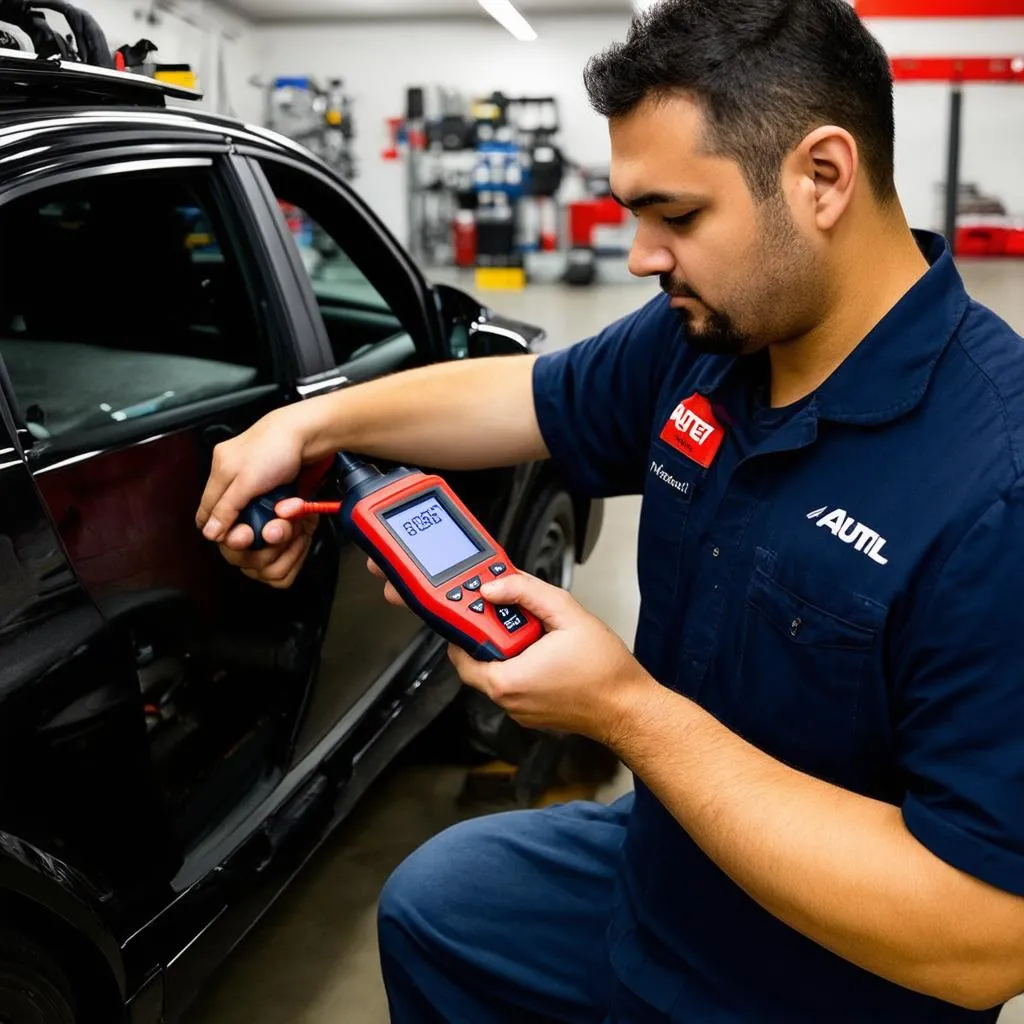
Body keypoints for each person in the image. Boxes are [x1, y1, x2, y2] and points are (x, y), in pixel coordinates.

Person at [196, 1, 1024, 1020]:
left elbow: (984, 935)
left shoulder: (997, 486)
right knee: (438, 904)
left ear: (821, 176)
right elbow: (525, 395)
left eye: (675, 216)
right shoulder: (712, 336)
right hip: (673, 863)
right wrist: (307, 425)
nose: (639, 256)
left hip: (826, 975)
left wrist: (623, 711)